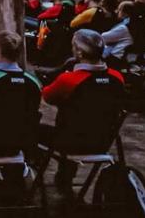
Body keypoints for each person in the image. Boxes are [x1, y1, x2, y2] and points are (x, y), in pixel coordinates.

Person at [39, 30, 125, 188]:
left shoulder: (70, 80)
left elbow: (47, 96)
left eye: (73, 46)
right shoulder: (117, 78)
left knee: (32, 129)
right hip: (102, 142)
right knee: (78, 122)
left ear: (79, 52)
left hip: (70, 142)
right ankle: (64, 178)